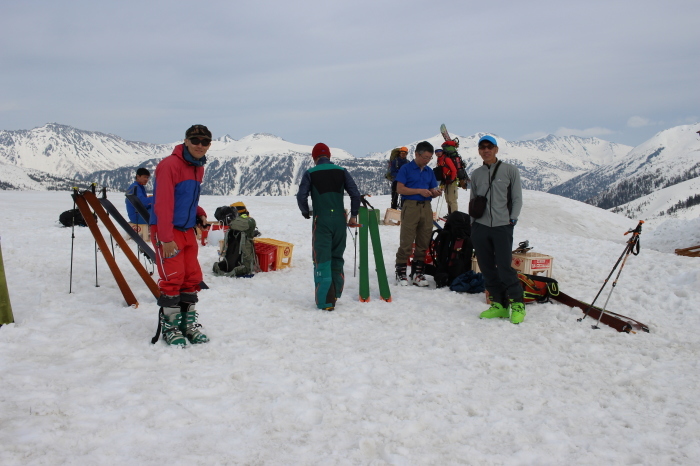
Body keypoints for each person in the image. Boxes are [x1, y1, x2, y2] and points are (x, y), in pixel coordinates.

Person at [150, 124, 211, 345]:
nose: (200, 145)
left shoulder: (197, 167)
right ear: (186, 141)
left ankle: (187, 324)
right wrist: (165, 238)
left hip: (186, 230)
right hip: (168, 230)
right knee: (172, 278)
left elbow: (188, 199)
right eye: (195, 140)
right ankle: (171, 327)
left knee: (191, 277)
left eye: (205, 142)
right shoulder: (170, 166)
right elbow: (163, 203)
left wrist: (199, 213)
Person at [297, 143, 361, 311]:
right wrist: (353, 215)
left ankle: (326, 300)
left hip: (322, 219)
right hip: (340, 218)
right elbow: (355, 194)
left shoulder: (310, 173)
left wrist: (305, 212)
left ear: (314, 157)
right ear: (329, 156)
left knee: (322, 258)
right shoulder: (342, 171)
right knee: (337, 256)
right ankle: (336, 293)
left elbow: (301, 196)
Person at [470, 135, 525, 324]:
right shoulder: (476, 174)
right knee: (486, 268)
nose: (486, 150)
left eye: (489, 147)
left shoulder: (510, 170)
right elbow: (473, 200)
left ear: (496, 150)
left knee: (504, 267)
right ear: (479, 151)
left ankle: (517, 304)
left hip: (502, 226)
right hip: (481, 226)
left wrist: (512, 218)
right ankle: (499, 305)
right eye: (482, 147)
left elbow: (517, 197)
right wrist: (472, 224)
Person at [394, 141, 442, 287]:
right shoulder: (406, 169)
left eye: (429, 158)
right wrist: (419, 191)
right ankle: (401, 272)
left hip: (426, 207)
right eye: (425, 157)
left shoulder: (429, 171)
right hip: (411, 206)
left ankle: (417, 272)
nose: (427, 160)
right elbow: (400, 189)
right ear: (417, 154)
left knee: (424, 240)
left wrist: (435, 193)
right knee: (407, 240)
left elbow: (433, 189)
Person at [125, 167, 153, 238]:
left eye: (147, 177)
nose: (146, 179)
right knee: (161, 211)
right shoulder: (136, 188)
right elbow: (144, 203)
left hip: (139, 213)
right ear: (138, 176)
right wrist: (157, 198)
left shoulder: (139, 187)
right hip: (137, 216)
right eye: (144, 177)